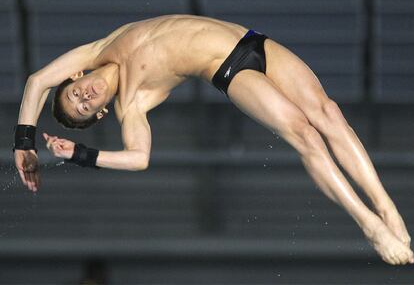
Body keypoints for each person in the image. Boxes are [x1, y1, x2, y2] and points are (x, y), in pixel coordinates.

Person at [13, 14, 413, 265]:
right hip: (229, 69)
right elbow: (139, 158)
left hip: (253, 41)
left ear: (76, 77)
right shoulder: (132, 103)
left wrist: (23, 143)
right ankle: (369, 225)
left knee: (329, 114)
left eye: (73, 93)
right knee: (304, 133)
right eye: (82, 107)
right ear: (100, 114)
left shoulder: (99, 48)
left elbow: (36, 82)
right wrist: (81, 154)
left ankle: (386, 207)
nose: (82, 98)